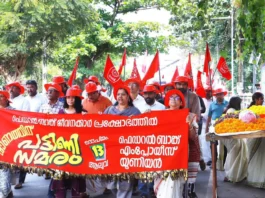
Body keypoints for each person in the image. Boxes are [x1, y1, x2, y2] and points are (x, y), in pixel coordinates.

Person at [154, 89, 200, 198]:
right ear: (167, 102)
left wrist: (189, 125)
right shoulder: (160, 115)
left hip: (180, 155)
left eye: (177, 98)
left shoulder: (189, 116)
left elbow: (193, 137)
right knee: (163, 185)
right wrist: (146, 117)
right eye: (171, 98)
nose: (173, 100)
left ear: (181, 103)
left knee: (175, 184)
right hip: (163, 154)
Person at [104, 85, 140, 198]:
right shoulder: (109, 110)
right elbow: (100, 126)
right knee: (111, 185)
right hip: (111, 151)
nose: (120, 97)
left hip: (127, 152)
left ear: (128, 97)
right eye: (118, 94)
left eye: (123, 94)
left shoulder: (135, 111)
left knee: (125, 184)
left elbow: (141, 131)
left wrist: (133, 123)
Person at [50, 87, 87, 198]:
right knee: (61, 178)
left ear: (77, 99)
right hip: (62, 149)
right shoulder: (60, 112)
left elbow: (86, 132)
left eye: (73, 98)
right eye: (68, 97)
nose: (70, 100)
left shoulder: (83, 113)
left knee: (76, 178)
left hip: (77, 150)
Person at [174, 76, 204, 170]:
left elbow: (196, 114)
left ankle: (200, 159)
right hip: (174, 129)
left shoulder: (193, 96)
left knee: (195, 145)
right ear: (175, 85)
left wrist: (188, 120)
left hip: (189, 126)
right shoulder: (172, 96)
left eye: (184, 84)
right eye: (179, 84)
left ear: (187, 86)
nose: (181, 86)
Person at [5, 82, 30, 190]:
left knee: (20, 156)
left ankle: (20, 180)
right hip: (7, 133)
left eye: (14, 88)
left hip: (20, 131)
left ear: (19, 90)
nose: (11, 90)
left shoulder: (24, 100)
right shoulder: (7, 101)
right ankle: (9, 183)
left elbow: (26, 116)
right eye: (10, 88)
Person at [222, 97, 248, 183]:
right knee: (233, 156)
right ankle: (230, 175)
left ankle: (234, 174)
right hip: (232, 137)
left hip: (233, 137)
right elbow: (232, 124)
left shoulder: (230, 110)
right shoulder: (231, 111)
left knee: (233, 156)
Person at [206, 88, 228, 170]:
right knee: (213, 144)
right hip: (213, 127)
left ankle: (224, 163)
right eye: (218, 94)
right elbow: (209, 116)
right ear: (215, 96)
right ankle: (214, 162)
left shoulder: (227, 104)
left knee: (225, 145)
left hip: (224, 126)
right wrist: (206, 129)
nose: (219, 96)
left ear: (223, 95)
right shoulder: (212, 104)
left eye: (221, 94)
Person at [247, 92, 265, 188]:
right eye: (261, 99)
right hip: (255, 136)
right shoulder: (251, 110)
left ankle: (260, 179)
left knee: (262, 157)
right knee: (257, 157)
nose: (262, 101)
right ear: (256, 100)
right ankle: (256, 178)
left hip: (261, 136)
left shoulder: (260, 109)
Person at [0, 90, 14, 198]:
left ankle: (6, 192)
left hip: (7, 148)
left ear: (6, 99)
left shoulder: (13, 112)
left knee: (5, 175)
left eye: (1, 96)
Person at [201, 87, 213, 166]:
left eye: (210, 91)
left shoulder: (214, 101)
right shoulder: (202, 100)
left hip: (212, 124)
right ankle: (207, 159)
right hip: (203, 124)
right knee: (204, 142)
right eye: (206, 91)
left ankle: (213, 158)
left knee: (213, 142)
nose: (208, 93)